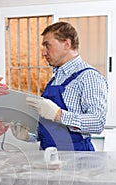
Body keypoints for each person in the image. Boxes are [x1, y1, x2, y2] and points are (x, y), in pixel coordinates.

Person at [11, 21, 108, 151]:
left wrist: (59, 115)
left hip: (77, 157)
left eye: (47, 46)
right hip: (48, 157)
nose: (43, 53)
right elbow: (50, 129)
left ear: (67, 44)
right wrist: (29, 135)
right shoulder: (55, 80)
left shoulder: (88, 76)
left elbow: (97, 122)